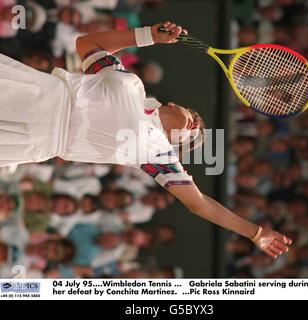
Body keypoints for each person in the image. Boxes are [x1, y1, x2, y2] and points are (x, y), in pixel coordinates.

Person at [0, 21, 292, 258]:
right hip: (40, 91)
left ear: (178, 144)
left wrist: (255, 232)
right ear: (174, 104)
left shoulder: (159, 155)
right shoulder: (131, 83)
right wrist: (147, 36)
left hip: (37, 140)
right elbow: (86, 45)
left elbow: (199, 203)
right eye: (195, 117)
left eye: (194, 133)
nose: (195, 123)